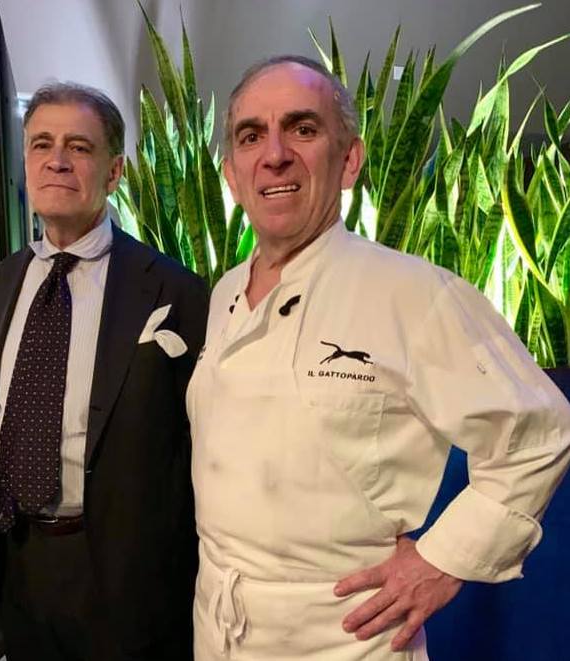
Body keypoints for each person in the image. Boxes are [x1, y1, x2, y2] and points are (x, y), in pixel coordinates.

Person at [187, 55, 570, 660]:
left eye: (303, 129)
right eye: (251, 136)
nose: (275, 154)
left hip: (345, 635)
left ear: (350, 160)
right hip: (218, 626)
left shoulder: (413, 293)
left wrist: (442, 561)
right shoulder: (225, 293)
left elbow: (538, 433)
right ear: (232, 174)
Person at [0, 82, 208, 660]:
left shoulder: (175, 290)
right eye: (41, 144)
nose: (56, 160)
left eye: (78, 147)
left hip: (125, 578)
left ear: (114, 171)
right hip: (21, 563)